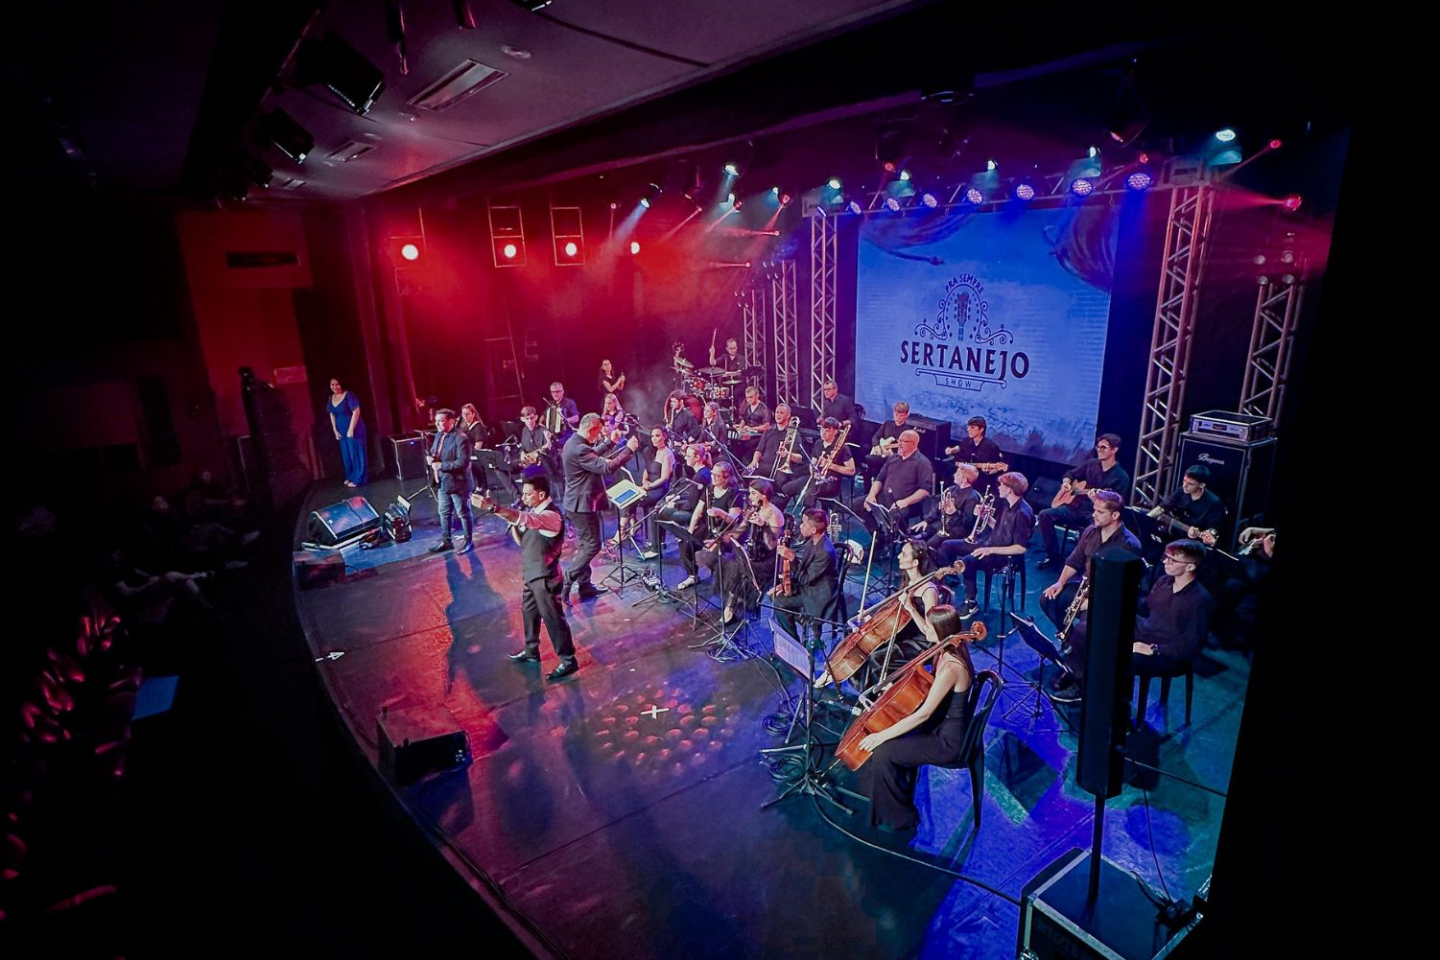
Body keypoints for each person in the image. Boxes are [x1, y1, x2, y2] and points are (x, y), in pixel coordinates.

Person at [859, 603, 976, 832]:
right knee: (893, 736)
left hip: (947, 740)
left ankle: (901, 817)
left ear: (942, 631)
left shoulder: (951, 666)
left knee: (884, 751)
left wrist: (880, 736)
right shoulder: (946, 650)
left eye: (930, 627)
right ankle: (897, 796)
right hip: (940, 724)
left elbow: (924, 714)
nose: (925, 630)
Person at [1051, 539, 1213, 704]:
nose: (1165, 562)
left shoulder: (1200, 600)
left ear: (1190, 567)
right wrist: (1110, 600)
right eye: (1166, 557)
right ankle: (1078, 675)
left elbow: (1191, 645)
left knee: (1117, 655)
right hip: (1145, 631)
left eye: (1173, 560)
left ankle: (1104, 700)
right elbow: (1145, 607)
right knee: (1091, 629)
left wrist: (1154, 649)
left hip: (1165, 651)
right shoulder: (1164, 582)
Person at [473, 477, 578, 681]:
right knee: (529, 613)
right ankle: (531, 650)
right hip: (532, 575)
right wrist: (511, 520)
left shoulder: (550, 516)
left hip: (544, 577)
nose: (524, 498)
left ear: (541, 494)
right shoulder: (535, 513)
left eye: (528, 494)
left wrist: (494, 508)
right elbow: (522, 540)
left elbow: (524, 519)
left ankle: (568, 660)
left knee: (553, 618)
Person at [561, 413, 641, 599]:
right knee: (592, 545)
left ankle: (585, 586)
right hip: (581, 505)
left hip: (577, 503)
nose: (598, 436)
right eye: (598, 432)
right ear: (591, 429)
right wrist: (628, 450)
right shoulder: (579, 448)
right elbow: (607, 468)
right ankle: (568, 578)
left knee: (585, 545)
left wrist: (610, 442)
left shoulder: (574, 442)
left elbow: (592, 454)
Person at [1039, 490, 1142, 631]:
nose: (1094, 515)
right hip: (1086, 589)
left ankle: (1077, 640)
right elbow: (1074, 561)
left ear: (1115, 515)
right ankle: (1068, 638)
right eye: (1094, 510)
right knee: (1048, 600)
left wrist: (1094, 603)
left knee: (1083, 629)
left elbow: (1124, 589)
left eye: (1100, 512)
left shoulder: (1129, 545)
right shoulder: (1090, 531)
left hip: (1107, 600)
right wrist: (1060, 582)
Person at [935, 472, 1034, 611]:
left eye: (1001, 485)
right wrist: (985, 517)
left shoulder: (1023, 513)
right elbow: (998, 528)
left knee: (968, 561)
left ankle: (971, 602)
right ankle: (950, 580)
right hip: (991, 544)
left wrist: (990, 550)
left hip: (1005, 555)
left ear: (1010, 489)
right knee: (947, 545)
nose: (999, 487)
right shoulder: (1007, 504)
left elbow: (1021, 548)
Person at [1038, 434, 1131, 570]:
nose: (1099, 450)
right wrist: (1066, 483)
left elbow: (1117, 504)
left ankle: (1082, 566)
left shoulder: (1121, 477)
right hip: (1076, 507)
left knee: (1092, 530)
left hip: (1096, 514)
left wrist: (1097, 500)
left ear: (1114, 450)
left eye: (1103, 447)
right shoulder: (1091, 464)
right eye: (1098, 447)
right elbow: (1070, 474)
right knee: (1044, 515)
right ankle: (1053, 556)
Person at [771, 507, 840, 643]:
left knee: (778, 602)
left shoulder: (824, 552)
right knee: (775, 595)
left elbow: (805, 579)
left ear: (813, 530)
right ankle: (798, 621)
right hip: (810, 585)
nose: (801, 526)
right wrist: (786, 585)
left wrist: (792, 558)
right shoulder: (812, 541)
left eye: (804, 524)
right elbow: (804, 572)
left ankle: (793, 643)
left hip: (818, 594)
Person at [675, 460, 743, 592]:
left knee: (711, 557)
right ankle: (692, 575)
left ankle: (722, 581)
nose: (713, 477)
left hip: (725, 532)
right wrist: (690, 531)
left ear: (726, 477)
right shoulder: (709, 489)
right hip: (709, 527)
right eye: (712, 474)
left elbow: (734, 520)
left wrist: (720, 513)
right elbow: (698, 511)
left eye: (717, 475)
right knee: (685, 542)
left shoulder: (734, 494)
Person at [616, 426, 674, 553]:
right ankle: (632, 524)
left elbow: (664, 478)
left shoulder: (667, 454)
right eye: (652, 436)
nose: (654, 439)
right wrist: (644, 482)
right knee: (627, 498)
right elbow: (646, 470)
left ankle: (623, 531)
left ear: (664, 436)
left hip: (659, 489)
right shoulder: (650, 451)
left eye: (657, 436)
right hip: (648, 486)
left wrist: (649, 486)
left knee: (631, 500)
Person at [864, 429, 934, 530]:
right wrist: (871, 495)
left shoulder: (923, 463)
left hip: (907, 503)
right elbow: (879, 479)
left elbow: (925, 491)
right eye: (899, 440)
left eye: (903, 441)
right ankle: (877, 533)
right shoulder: (893, 458)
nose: (899, 444)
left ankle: (893, 538)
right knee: (858, 505)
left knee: (894, 517)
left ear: (913, 444)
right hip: (884, 498)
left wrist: (905, 502)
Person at [427, 408, 474, 554]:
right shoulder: (439, 435)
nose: (437, 424)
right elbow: (435, 452)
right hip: (443, 481)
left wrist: (441, 465)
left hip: (458, 483)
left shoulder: (461, 438)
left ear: (451, 421)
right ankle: (446, 541)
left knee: (463, 512)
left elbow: (462, 463)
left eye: (441, 421)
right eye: (436, 421)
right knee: (444, 512)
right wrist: (430, 458)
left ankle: (468, 541)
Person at [781, 416, 855, 507]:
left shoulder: (843, 448)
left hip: (830, 482)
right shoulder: (818, 443)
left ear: (835, 432)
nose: (823, 433)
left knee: (809, 494)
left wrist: (830, 465)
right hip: (815, 478)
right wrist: (813, 471)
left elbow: (851, 471)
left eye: (827, 431)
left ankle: (807, 514)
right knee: (787, 488)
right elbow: (813, 463)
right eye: (822, 430)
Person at [911, 462, 982, 555]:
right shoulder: (951, 489)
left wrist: (954, 512)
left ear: (964, 479)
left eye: (957, 473)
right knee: (914, 532)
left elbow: (968, 523)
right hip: (943, 524)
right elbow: (937, 508)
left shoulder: (972, 497)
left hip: (957, 530)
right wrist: (926, 521)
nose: (954, 475)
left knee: (930, 544)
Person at [1147, 464, 1224, 545]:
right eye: (1184, 481)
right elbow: (1161, 508)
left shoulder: (1213, 502)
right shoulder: (1181, 491)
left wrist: (1201, 535)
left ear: (1202, 485)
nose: (1185, 486)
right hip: (1173, 535)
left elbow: (1213, 529)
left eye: (1190, 484)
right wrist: (1146, 518)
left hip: (1195, 543)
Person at [943, 416, 1005, 493]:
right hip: (964, 480)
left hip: (982, 482)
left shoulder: (991, 447)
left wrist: (989, 471)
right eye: (968, 427)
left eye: (972, 428)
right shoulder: (965, 442)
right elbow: (960, 455)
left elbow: (996, 468)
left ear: (981, 429)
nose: (968, 430)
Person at [327, 377, 367, 487]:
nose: (335, 387)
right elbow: (332, 414)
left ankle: (358, 479)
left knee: (356, 453)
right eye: (332, 384)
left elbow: (356, 411)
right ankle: (351, 476)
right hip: (341, 429)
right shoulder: (331, 398)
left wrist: (351, 429)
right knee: (347, 455)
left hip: (354, 428)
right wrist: (335, 430)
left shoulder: (349, 395)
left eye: (337, 384)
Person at [864, 401, 911, 481]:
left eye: (901, 415)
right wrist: (877, 446)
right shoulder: (888, 424)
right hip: (880, 453)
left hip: (894, 458)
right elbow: (875, 437)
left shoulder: (908, 431)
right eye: (896, 414)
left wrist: (892, 453)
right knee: (867, 461)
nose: (898, 417)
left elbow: (905, 449)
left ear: (906, 415)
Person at [460, 403, 490, 494]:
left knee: (472, 463)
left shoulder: (478, 427)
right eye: (463, 414)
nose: (465, 416)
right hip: (468, 453)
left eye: (467, 414)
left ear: (473, 414)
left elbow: (478, 446)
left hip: (479, 454)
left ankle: (482, 486)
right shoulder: (463, 427)